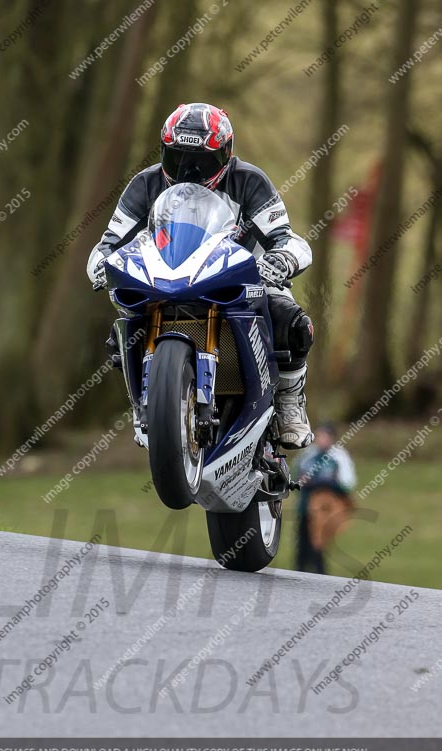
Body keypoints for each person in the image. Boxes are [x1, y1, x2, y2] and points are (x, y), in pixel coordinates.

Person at [87, 102, 315, 448]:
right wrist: (103, 265)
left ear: (225, 155)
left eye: (202, 161)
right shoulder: (144, 185)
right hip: (164, 277)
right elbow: (110, 243)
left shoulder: (250, 181)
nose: (189, 170)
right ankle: (144, 404)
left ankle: (288, 401)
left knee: (292, 321)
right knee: (122, 328)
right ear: (163, 152)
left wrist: (281, 260)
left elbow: (287, 238)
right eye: (177, 158)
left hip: (241, 279)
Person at [294, 421, 356, 574]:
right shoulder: (308, 454)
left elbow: (347, 484)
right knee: (301, 544)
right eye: (318, 436)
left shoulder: (339, 456)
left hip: (326, 508)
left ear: (332, 438)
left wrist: (325, 483)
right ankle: (299, 573)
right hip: (306, 506)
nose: (320, 439)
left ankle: (320, 575)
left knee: (318, 544)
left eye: (324, 436)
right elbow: (297, 477)